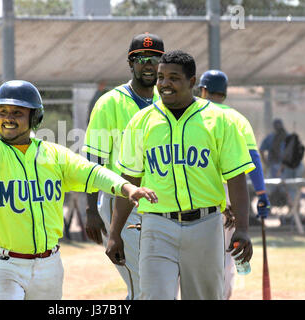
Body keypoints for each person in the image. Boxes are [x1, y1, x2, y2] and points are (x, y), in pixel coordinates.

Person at [0, 78, 158, 300]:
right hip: (2, 264)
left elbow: (92, 172)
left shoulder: (54, 155)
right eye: (3, 112)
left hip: (48, 265)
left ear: (35, 117)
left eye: (17, 112)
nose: (8, 118)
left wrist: (126, 187)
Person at [105, 50, 254, 300]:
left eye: (173, 78)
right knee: (154, 295)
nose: (164, 84)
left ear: (192, 82)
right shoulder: (141, 122)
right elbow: (130, 180)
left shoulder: (219, 121)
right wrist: (114, 232)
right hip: (156, 225)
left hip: (205, 224)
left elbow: (237, 178)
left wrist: (243, 228)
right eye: (161, 77)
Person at [83, 32, 164, 300]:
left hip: (160, 203)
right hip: (121, 201)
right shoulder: (110, 102)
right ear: (131, 64)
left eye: (154, 59)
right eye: (141, 58)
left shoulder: (167, 103)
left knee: (157, 283)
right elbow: (93, 159)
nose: (149, 65)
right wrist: (90, 209)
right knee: (144, 284)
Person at [198, 69, 270, 300]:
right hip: (232, 193)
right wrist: (261, 193)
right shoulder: (237, 118)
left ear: (203, 90)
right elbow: (254, 160)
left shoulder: (195, 115)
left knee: (193, 251)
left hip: (200, 192)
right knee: (229, 251)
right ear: (225, 93)